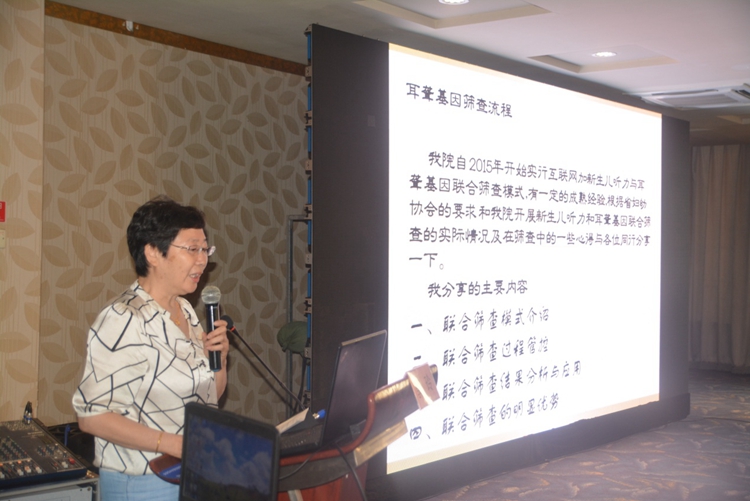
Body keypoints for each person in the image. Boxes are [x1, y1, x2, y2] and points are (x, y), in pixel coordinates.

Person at [72, 196, 230, 501]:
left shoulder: (185, 310)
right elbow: (92, 417)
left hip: (190, 473)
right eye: (192, 249)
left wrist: (219, 360)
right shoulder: (123, 318)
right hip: (142, 482)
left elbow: (209, 397)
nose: (203, 260)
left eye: (205, 249)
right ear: (153, 253)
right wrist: (171, 444)